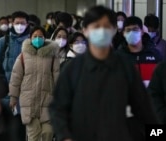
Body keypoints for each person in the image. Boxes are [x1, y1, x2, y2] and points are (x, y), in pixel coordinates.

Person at [49, 6, 158, 141]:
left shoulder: (125, 67)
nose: (101, 31)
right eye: (96, 26)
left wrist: (157, 134)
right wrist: (65, 136)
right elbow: (58, 108)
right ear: (85, 31)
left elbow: (145, 109)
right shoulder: (72, 69)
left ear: (114, 30)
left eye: (106, 26)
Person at [9, 26, 59, 141]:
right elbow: (16, 77)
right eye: (35, 36)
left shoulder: (52, 56)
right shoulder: (23, 56)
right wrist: (13, 97)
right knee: (33, 135)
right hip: (29, 101)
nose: (37, 39)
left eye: (40, 36)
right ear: (30, 38)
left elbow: (57, 76)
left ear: (45, 38)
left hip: (48, 99)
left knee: (48, 132)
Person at [0, 11, 30, 141]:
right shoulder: (4, 41)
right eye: (17, 23)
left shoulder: (32, 42)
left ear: (27, 24)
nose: (20, 25)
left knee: (22, 129)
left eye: (22, 23)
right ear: (12, 24)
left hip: (27, 91)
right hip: (6, 90)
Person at [118, 16, 162, 87]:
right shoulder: (118, 57)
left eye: (135, 29)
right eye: (128, 30)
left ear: (142, 32)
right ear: (123, 33)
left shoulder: (155, 55)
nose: (132, 33)